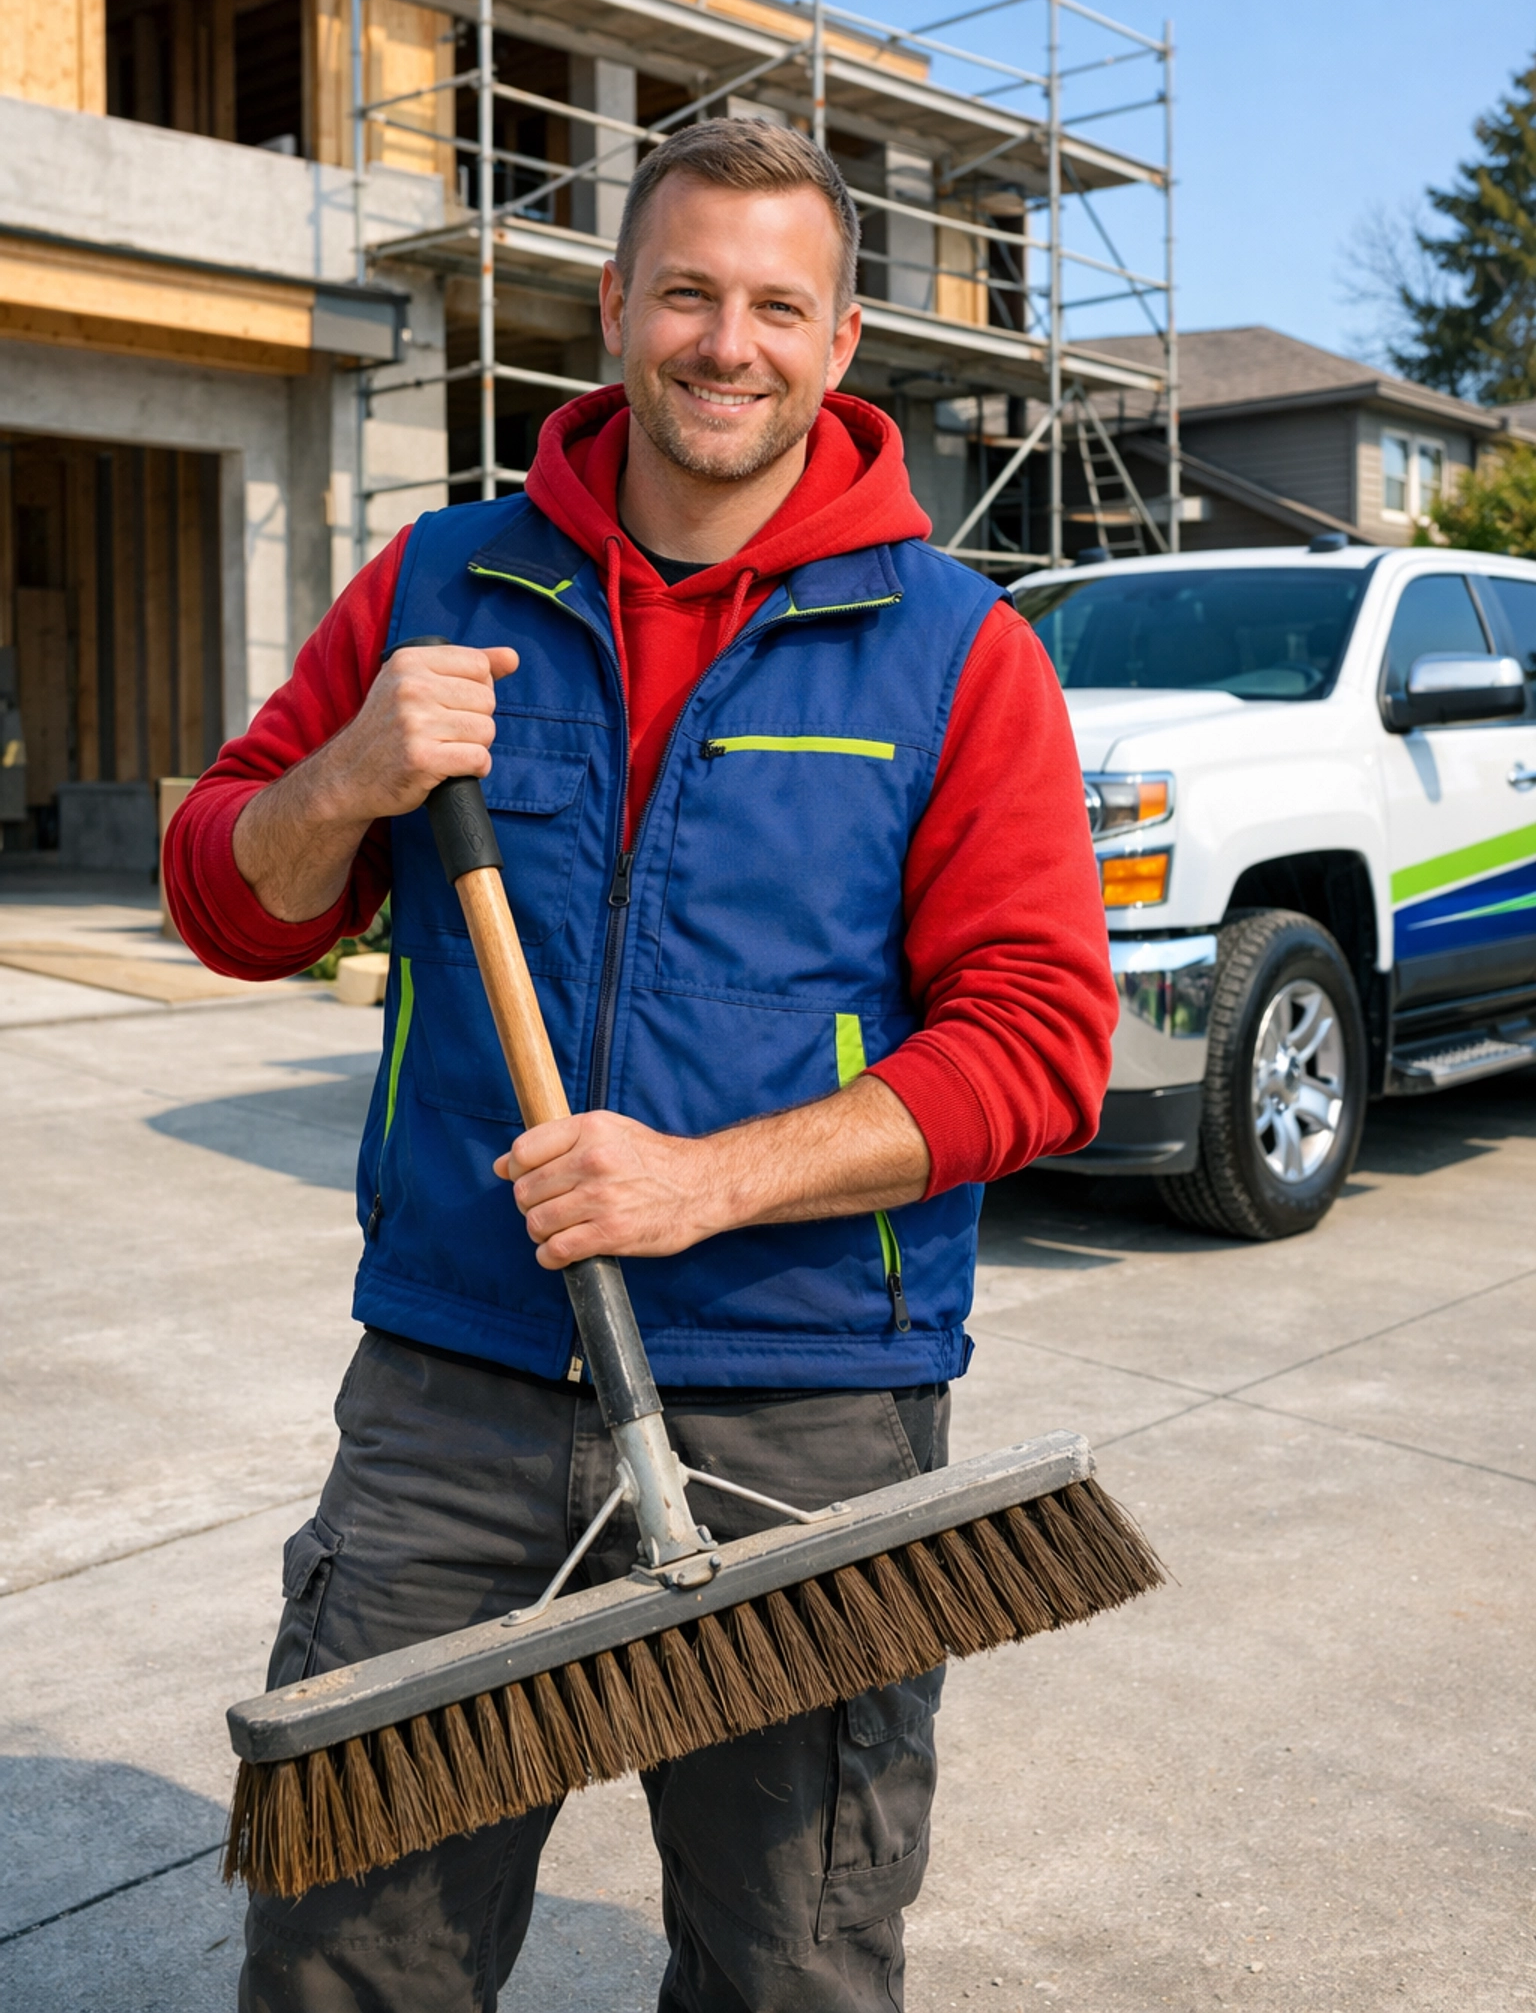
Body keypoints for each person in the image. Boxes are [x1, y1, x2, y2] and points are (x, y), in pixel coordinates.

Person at [166, 118, 1116, 2013]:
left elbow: (1040, 1041)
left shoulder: (954, 651)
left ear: (843, 341)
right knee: (350, 1966)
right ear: (613, 306)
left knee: (793, 1970)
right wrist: (349, 776)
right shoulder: (439, 585)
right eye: (686, 292)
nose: (726, 343)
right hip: (460, 1386)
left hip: (806, 1403)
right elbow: (224, 901)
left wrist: (705, 1180)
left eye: (777, 304)